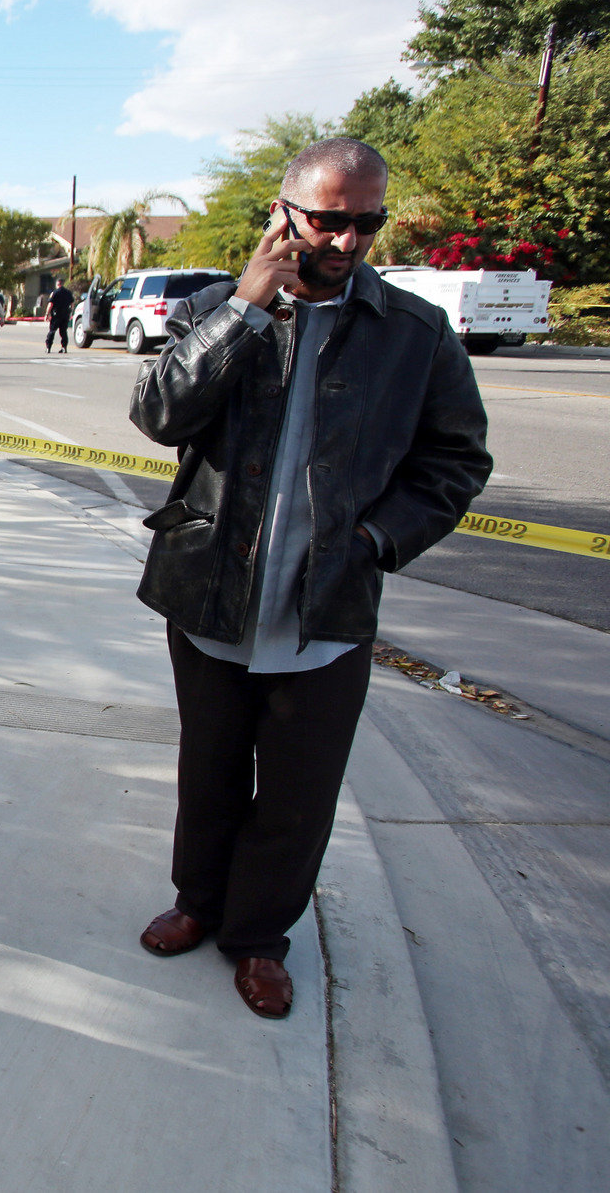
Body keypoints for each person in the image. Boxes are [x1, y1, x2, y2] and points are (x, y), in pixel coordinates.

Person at [128, 139, 491, 1019]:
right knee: (208, 770)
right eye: (329, 218)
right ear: (283, 213)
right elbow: (158, 413)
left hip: (327, 607)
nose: (347, 239)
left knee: (298, 792)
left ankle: (258, 938)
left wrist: (376, 537)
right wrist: (246, 311)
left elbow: (457, 459)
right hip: (211, 591)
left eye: (368, 221)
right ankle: (199, 904)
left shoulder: (413, 333)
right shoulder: (216, 307)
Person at [46, 282, 75, 353]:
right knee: (63, 332)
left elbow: (50, 304)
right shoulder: (68, 293)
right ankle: (64, 347)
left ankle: (48, 347)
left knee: (52, 331)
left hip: (56, 315)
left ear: (57, 284)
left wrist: (47, 314)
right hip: (65, 315)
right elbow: (72, 304)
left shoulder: (55, 292)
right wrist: (70, 312)